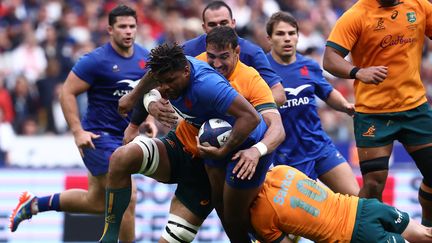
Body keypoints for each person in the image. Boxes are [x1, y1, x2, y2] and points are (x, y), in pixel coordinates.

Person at [8, 5, 153, 242]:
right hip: (97, 137)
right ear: (110, 29)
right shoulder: (95, 60)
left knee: (97, 201)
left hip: (124, 138)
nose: (128, 31)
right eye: (122, 26)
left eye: (132, 26)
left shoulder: (144, 58)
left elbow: (146, 94)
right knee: (128, 197)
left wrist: (145, 120)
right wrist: (78, 132)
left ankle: (33, 205)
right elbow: (66, 92)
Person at [99, 43, 269, 243]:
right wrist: (135, 97)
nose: (164, 88)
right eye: (161, 82)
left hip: (211, 166)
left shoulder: (208, 86)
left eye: (169, 81)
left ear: (186, 72)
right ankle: (108, 237)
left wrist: (224, 150)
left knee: (229, 223)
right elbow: (154, 76)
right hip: (181, 146)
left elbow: (252, 118)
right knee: (121, 157)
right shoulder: (171, 70)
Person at [323, 0, 432, 227]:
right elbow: (330, 58)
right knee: (373, 185)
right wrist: (358, 72)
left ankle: (428, 228)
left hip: (415, 109)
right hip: (374, 114)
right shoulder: (357, 14)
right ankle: (371, 236)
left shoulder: (419, 6)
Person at [193, 26, 284, 242]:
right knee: (223, 207)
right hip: (205, 156)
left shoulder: (251, 79)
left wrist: (256, 151)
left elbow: (278, 129)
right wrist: (153, 104)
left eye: (224, 57)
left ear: (237, 52)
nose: (216, 64)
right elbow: (161, 78)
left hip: (245, 157)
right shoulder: (195, 65)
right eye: (211, 57)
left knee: (243, 217)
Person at [265, 11, 359, 195]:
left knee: (357, 199)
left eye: (292, 33)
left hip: (320, 146)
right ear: (269, 38)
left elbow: (328, 92)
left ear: (298, 37)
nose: (287, 38)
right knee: (307, 216)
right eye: (280, 34)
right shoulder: (261, 69)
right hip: (288, 158)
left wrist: (346, 106)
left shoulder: (309, 65)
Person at [250, 165, 432, 243]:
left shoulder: (261, 217)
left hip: (353, 235)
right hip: (364, 207)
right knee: (425, 234)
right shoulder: (282, 170)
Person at [183, 1, 286, 107]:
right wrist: (165, 104)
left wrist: (245, 111)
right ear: (204, 28)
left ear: (233, 23)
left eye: (224, 23)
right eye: (212, 25)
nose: (219, 28)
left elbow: (278, 93)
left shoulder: (252, 53)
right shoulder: (188, 51)